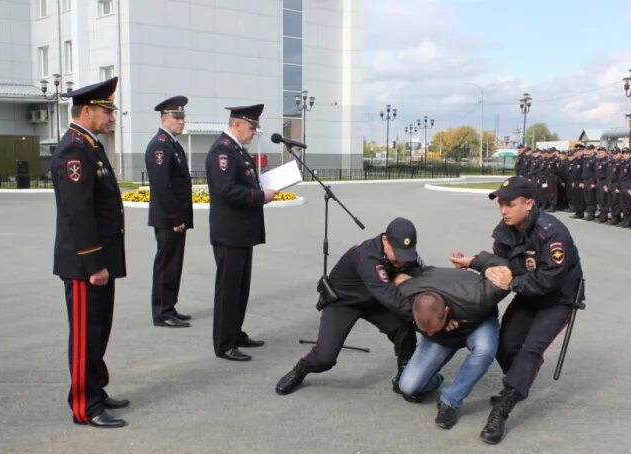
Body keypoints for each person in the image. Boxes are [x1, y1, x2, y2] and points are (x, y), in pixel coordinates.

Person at [465, 177, 584, 445]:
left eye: (510, 204)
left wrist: (512, 282)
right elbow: (503, 263)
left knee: (530, 350)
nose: (504, 210)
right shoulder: (506, 229)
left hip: (557, 299)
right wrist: (475, 262)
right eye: (501, 204)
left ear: (529, 203)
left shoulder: (552, 233)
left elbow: (549, 279)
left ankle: (502, 409)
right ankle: (518, 382)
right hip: (528, 293)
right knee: (504, 344)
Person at [51, 77, 129, 429]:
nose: (112, 117)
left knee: (99, 331)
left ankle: (96, 388)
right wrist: (95, 262)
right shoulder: (74, 150)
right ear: (87, 111)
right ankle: (84, 405)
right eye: (106, 111)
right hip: (85, 264)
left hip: (99, 261)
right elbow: (78, 213)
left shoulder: (90, 145)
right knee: (85, 334)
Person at [275, 218, 424, 398]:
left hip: (373, 299)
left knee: (403, 327)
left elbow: (422, 273)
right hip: (344, 301)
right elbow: (392, 298)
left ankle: (404, 375)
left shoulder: (404, 253)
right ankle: (300, 370)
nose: (402, 260)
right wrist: (425, 318)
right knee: (325, 358)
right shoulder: (368, 257)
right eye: (398, 254)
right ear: (385, 240)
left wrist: (409, 275)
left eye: (405, 254)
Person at [394, 254, 511, 429]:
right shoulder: (405, 293)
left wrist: (473, 261)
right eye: (425, 331)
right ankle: (433, 379)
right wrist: (435, 330)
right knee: (408, 387)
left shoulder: (478, 297)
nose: (429, 334)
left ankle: (450, 401)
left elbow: (506, 268)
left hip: (477, 323)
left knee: (485, 350)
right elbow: (394, 278)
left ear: (447, 311)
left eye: (432, 329)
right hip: (445, 335)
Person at [206, 104, 277, 361]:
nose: (254, 132)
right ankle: (224, 344)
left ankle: (235, 333)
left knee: (240, 288)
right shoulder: (222, 152)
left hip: (241, 233)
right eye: (251, 127)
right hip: (229, 233)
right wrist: (261, 196)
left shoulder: (236, 150)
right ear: (236, 124)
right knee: (228, 290)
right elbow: (227, 191)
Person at [146, 96, 194, 328]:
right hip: (168, 219)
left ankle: (170, 305)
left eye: (183, 117)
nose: (181, 121)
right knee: (166, 263)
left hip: (175, 217)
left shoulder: (172, 143)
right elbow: (162, 185)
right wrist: (175, 218)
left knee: (174, 263)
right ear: (164, 118)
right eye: (177, 117)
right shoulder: (160, 146)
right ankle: (162, 311)